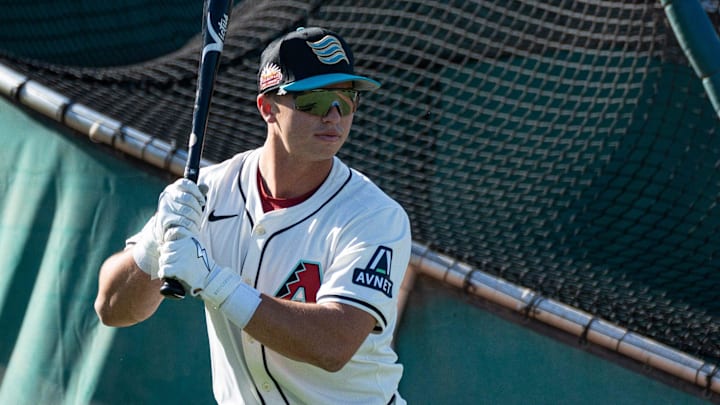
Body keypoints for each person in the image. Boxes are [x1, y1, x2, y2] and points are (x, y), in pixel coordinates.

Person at [94, 26, 412, 405]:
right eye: (314, 99)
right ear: (268, 108)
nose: (333, 115)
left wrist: (212, 282)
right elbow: (112, 309)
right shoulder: (211, 190)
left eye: (346, 99)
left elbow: (333, 344)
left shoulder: (375, 217)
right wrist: (153, 245)